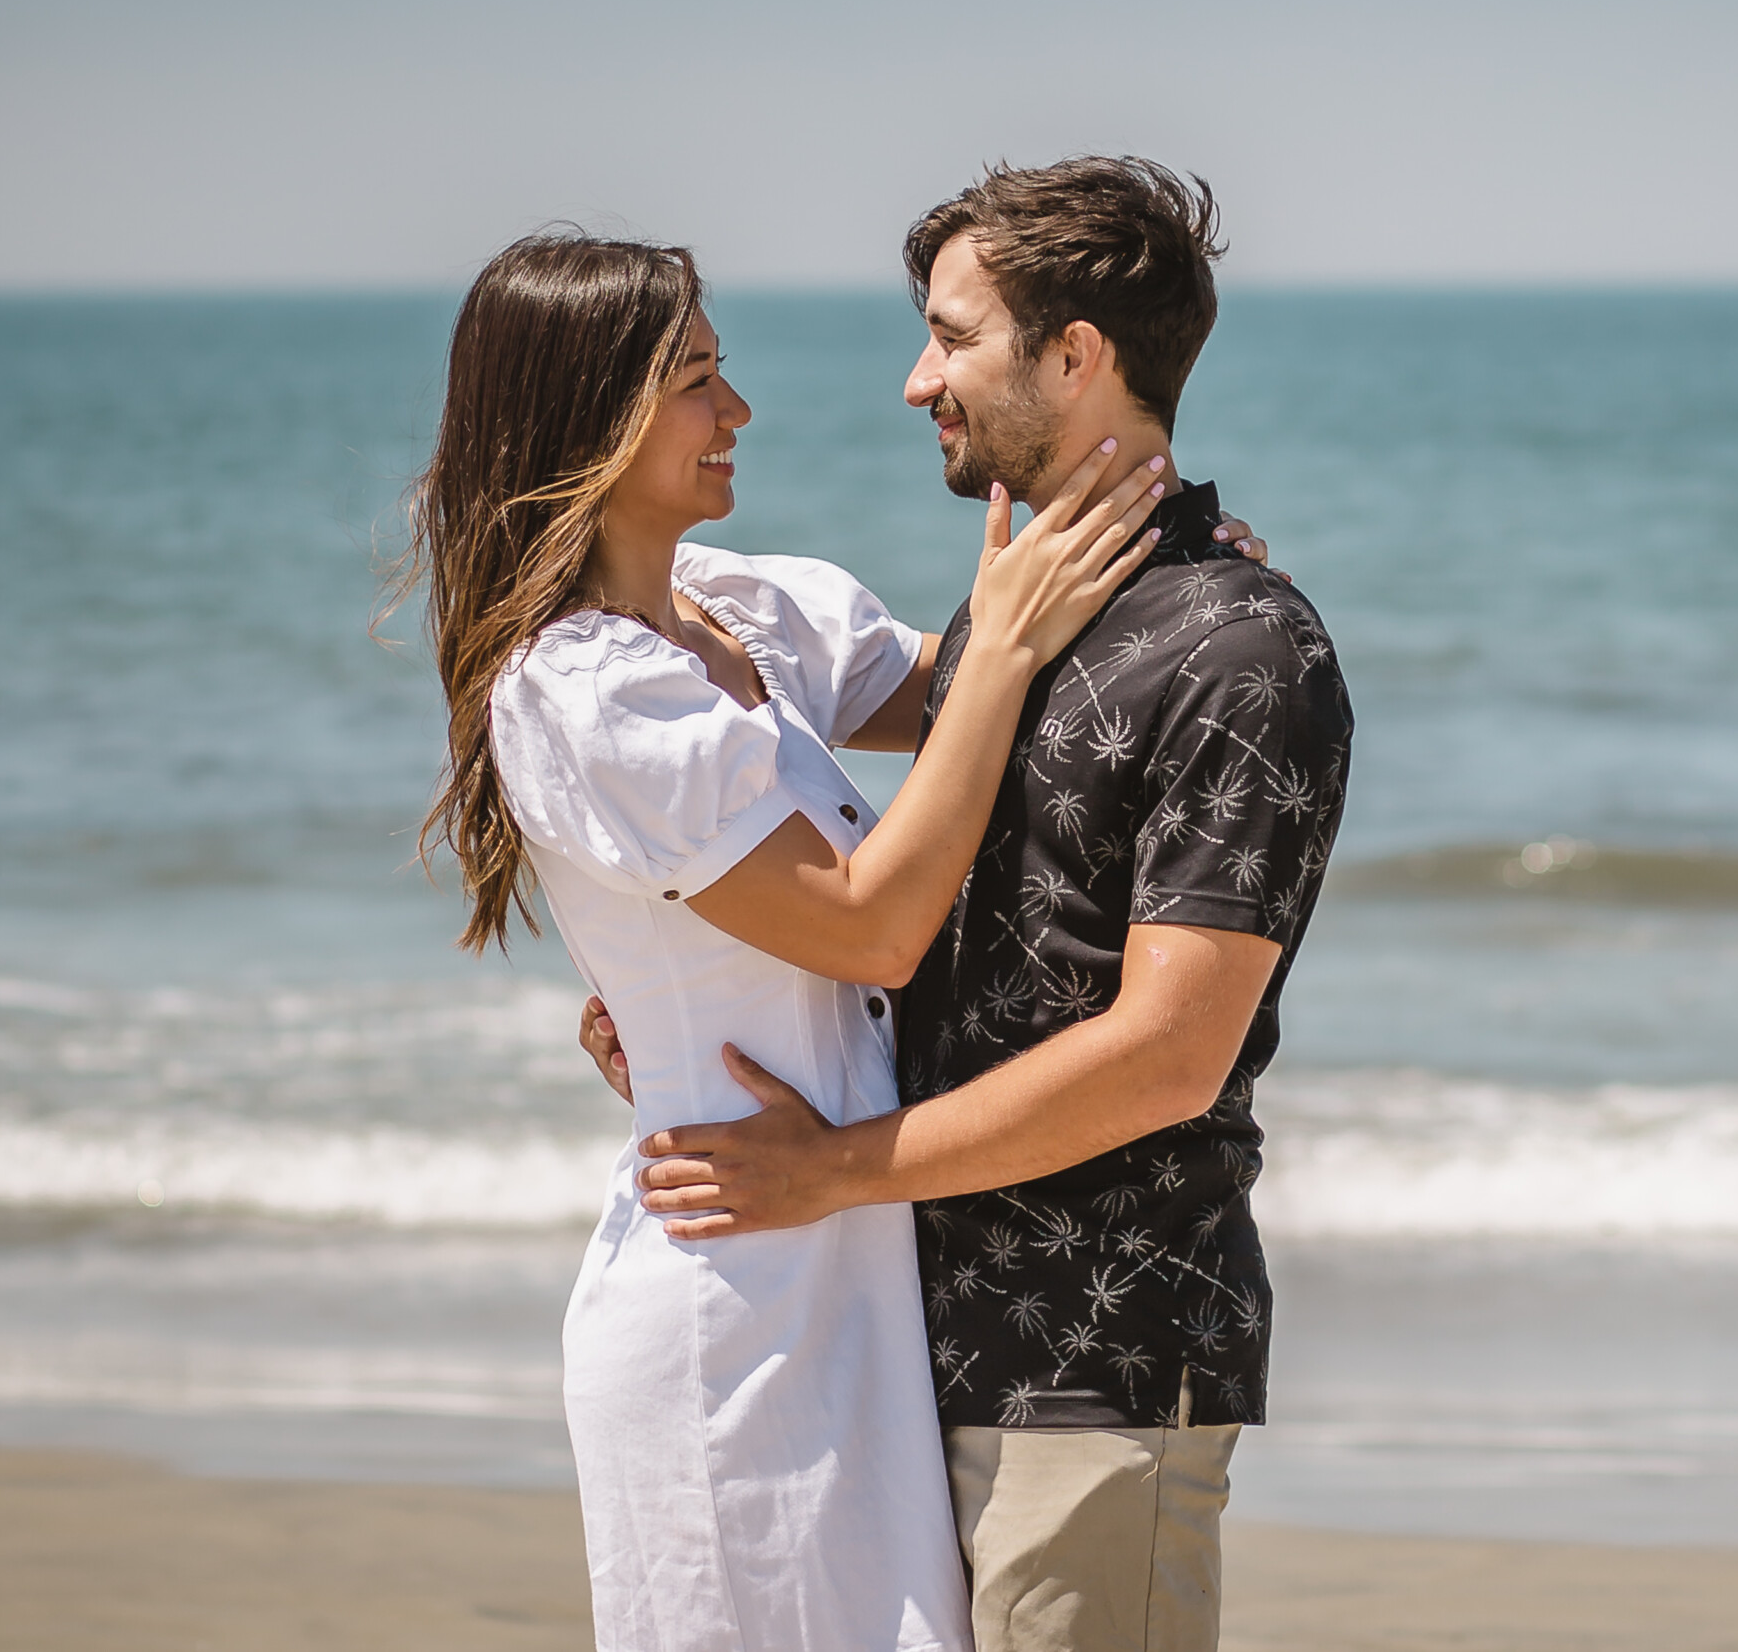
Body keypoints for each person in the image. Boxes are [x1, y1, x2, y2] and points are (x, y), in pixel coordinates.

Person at [401, 229, 1262, 1651]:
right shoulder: (585, 690)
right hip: (735, 1299)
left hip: (852, 1263)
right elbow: (872, 927)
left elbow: (1027, 699)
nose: (735, 412)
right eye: (694, 381)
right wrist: (996, 645)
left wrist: (1183, 586)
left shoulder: (743, 612)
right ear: (586, 422)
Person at [580, 157, 1353, 1652]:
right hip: (915, 1341)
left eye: (954, 335)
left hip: (1097, 1354)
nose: (917, 378)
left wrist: (834, 1169)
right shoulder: (1024, 633)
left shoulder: (1245, 652)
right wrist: (687, 998)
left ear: (1076, 357)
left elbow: (1166, 1055)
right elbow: (899, 901)